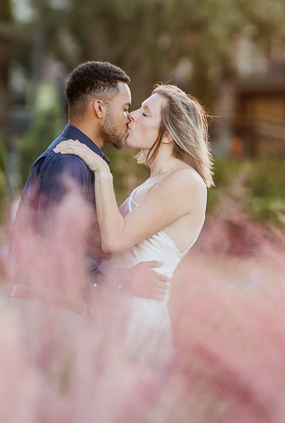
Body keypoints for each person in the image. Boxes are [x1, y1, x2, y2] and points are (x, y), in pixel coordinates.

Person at [54, 84, 214, 355]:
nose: (132, 115)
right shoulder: (153, 182)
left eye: (145, 113)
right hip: (114, 312)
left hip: (137, 322)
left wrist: (101, 170)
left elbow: (114, 239)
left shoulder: (186, 181)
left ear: (168, 135)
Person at [10, 61, 169, 314]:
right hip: (51, 314)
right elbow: (57, 256)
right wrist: (126, 280)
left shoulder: (81, 163)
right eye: (125, 108)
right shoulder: (68, 164)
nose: (129, 117)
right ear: (99, 108)